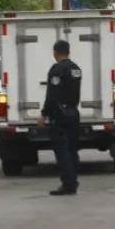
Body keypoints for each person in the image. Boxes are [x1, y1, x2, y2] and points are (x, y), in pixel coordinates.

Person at [40, 40, 83, 196]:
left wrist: (45, 114)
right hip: (73, 112)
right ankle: (73, 181)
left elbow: (52, 94)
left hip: (60, 114)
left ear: (55, 53)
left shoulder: (57, 69)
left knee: (62, 151)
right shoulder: (76, 68)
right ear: (68, 52)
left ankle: (68, 184)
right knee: (72, 150)